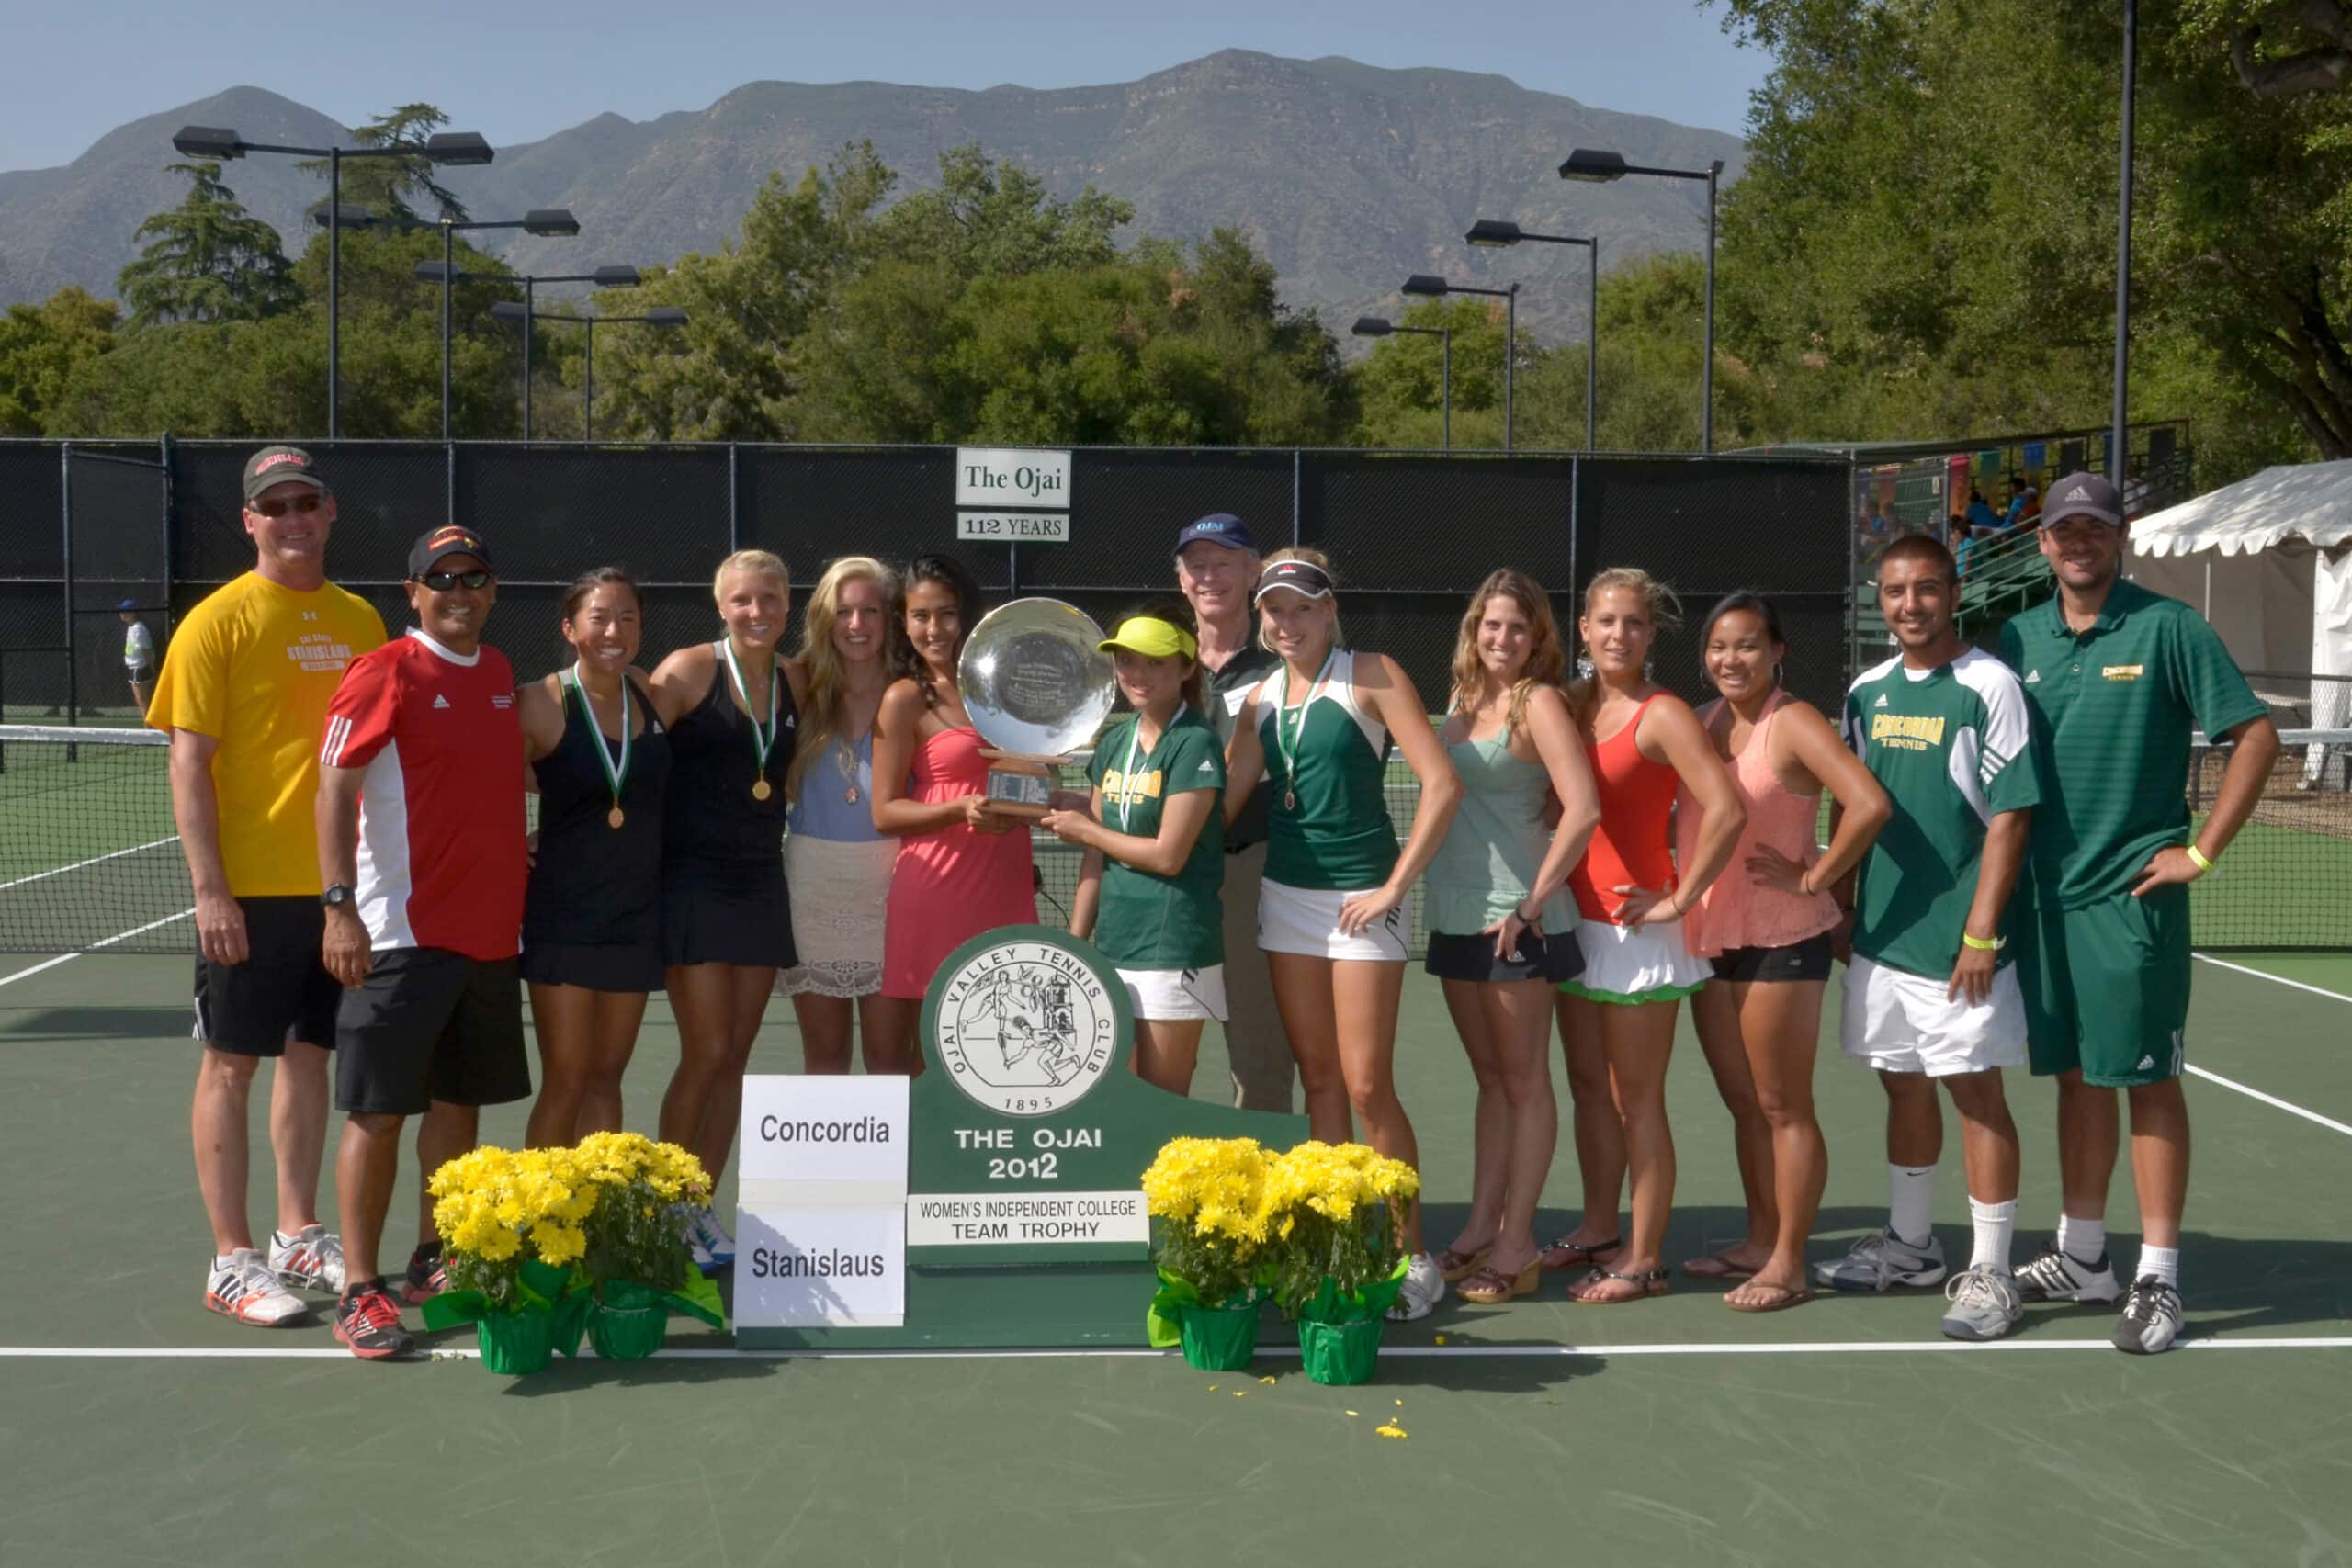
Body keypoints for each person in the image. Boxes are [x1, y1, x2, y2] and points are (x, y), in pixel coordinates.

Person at [1998, 471, 2281, 1354]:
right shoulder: (2015, 637)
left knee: (2147, 1079)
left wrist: (2201, 852)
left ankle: (2159, 1275)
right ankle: (2084, 1253)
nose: (2079, 542)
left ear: (2120, 537)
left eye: (2096, 527)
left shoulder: (2170, 628)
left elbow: (2256, 736)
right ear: (2043, 543)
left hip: (2132, 899)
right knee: (2077, 1076)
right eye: (2065, 529)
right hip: (2041, 901)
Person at [146, 444, 384, 1326]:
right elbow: (188, 764)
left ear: (329, 512)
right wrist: (211, 891)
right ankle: (232, 1258)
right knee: (232, 1063)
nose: (292, 519)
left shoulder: (362, 620)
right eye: (273, 506)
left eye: (304, 503)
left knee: (312, 1054)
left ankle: (297, 1232)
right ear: (250, 520)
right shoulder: (215, 622)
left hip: (338, 889)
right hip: (246, 892)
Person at [1223, 548, 1464, 1320]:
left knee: (1366, 1084)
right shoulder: (1257, 698)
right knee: (1320, 1079)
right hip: (1285, 898)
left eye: (1302, 607)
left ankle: (1411, 1255)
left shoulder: (1373, 674)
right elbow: (1221, 800)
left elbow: (1442, 782)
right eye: (1274, 609)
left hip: (1362, 897)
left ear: (1330, 610)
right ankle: (1337, 1243)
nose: (1287, 621)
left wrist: (1394, 886)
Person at [1812, 534, 2039, 1343]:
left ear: (1954, 592)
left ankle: (1992, 1270)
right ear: (1880, 599)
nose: (1911, 605)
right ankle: (1911, 1245)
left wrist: (1981, 932)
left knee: (1976, 1095)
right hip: (1882, 937)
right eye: (1896, 591)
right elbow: (1848, 800)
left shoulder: (1990, 685)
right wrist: (1841, 903)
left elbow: (2011, 816)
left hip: (1957, 944)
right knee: (1902, 1084)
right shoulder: (1866, 691)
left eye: (1927, 589)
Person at [316, 525, 531, 1359]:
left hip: (489, 937)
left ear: (492, 591)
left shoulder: (502, 673)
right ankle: (358, 1288)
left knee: (456, 1104)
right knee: (378, 1114)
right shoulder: (383, 671)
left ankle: (432, 1258)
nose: (459, 592)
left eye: (473, 577)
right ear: (413, 593)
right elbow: (332, 790)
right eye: (441, 579)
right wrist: (339, 908)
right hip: (399, 936)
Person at [1677, 592, 1890, 1313]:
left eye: (1746, 645)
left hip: (1784, 939)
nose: (1730, 658)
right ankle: (1758, 1240)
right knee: (1744, 1103)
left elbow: (1868, 802)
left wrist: (1813, 878)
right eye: (1718, 646)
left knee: (1782, 1106)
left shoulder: (1794, 721)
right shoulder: (1702, 722)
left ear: (1777, 652)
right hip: (1713, 938)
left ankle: (1789, 1263)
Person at [1540, 568, 1745, 1305]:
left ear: (1650, 633)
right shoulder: (1568, 705)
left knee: (1638, 1100)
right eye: (1606, 621)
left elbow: (1726, 808)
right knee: (1588, 1088)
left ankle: (1645, 1257)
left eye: (1633, 622)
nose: (1618, 634)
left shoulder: (1663, 714)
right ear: (1585, 629)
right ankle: (1600, 1228)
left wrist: (1680, 897)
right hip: (1574, 925)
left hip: (1637, 936)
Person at [1422, 571, 1599, 1307]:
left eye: (1517, 628)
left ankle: (1517, 1241)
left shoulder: (1540, 702)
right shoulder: (1460, 702)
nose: (1502, 637)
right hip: (1455, 912)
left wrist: (1531, 905)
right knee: (1491, 1080)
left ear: (1537, 639)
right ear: (1474, 629)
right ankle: (1479, 1229)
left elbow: (1583, 808)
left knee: (1524, 1082)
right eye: (1491, 624)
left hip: (1516, 921)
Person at [648, 549, 804, 1267]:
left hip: (761, 880)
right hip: (692, 882)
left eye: (769, 597)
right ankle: (662, 1206)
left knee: (736, 1056)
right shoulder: (687, 670)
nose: (757, 610)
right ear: (721, 606)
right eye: (742, 599)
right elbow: (625, 747)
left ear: (787, 602)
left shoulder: (797, 679)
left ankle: (699, 1209)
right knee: (706, 1050)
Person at [1044, 602, 1227, 1094]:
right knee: (1118, 1096)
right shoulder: (1114, 741)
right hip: (1113, 944)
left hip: (1172, 944)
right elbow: (1095, 856)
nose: (1137, 674)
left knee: (1162, 1100)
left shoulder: (1196, 743)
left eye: (1154, 662)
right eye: (1126, 660)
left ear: (1186, 667)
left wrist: (1087, 830)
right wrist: (1075, 943)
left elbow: (1169, 855)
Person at [515, 567, 669, 1146]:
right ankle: (542, 1203)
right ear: (570, 628)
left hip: (634, 917)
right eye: (599, 618)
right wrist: (517, 841)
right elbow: (487, 780)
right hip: (564, 919)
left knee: (606, 1079)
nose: (614, 632)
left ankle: (597, 1202)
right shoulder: (540, 701)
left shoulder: (647, 692)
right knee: (567, 1080)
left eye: (628, 618)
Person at [872, 554, 1037, 1067]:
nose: (934, 629)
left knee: (1002, 1054)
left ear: (966, 616)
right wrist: (959, 809)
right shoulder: (903, 698)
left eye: (946, 614)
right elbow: (884, 812)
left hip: (1005, 884)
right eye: (920, 616)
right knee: (936, 1057)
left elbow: (1033, 776)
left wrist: (1039, 799)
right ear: (903, 622)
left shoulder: (1003, 689)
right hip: (937, 889)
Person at [1174, 513, 1295, 1112]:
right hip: (1165, 883)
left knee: (1260, 1058)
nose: (1209, 576)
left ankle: (1263, 1171)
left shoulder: (1286, 660)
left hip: (1256, 875)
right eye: (1196, 564)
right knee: (1156, 1054)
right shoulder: (1157, 663)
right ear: (1180, 578)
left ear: (1253, 573)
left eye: (1224, 562)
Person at [776, 557, 902, 1073]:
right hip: (812, 889)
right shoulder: (795, 682)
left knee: (890, 1060)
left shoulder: (911, 690)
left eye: (871, 611)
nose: (857, 625)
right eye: (844, 611)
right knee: (824, 1059)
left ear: (889, 618)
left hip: (894, 890)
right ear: (825, 619)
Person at [120, 600, 156, 713]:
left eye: (125, 611)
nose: (122, 613)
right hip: (135, 668)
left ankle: (149, 724)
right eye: (122, 611)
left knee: (142, 701)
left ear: (133, 613)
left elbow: (145, 650)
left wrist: (152, 668)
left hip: (140, 668)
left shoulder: (138, 628)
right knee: (141, 700)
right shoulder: (131, 627)